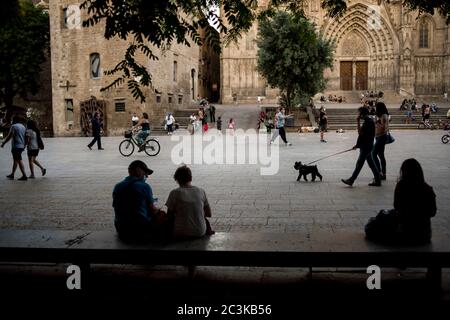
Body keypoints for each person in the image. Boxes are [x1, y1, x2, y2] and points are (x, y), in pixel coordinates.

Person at [366, 159, 437, 244]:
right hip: (423, 234)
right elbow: (432, 212)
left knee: (373, 226)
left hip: (405, 231)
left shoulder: (402, 186)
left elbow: (397, 207)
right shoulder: (427, 189)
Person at [113, 160, 172, 241]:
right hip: (139, 230)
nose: (146, 176)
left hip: (121, 228)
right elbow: (152, 211)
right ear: (138, 170)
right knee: (164, 216)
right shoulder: (144, 186)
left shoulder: (117, 186)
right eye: (145, 173)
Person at [166, 165, 214, 238]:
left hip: (180, 232)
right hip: (200, 232)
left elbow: (169, 216)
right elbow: (208, 214)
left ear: (177, 180)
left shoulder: (174, 193)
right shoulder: (201, 191)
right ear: (191, 178)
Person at [342, 107, 381, 187]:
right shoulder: (369, 121)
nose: (358, 115)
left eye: (359, 113)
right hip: (368, 145)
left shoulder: (368, 122)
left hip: (366, 146)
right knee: (371, 164)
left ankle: (351, 180)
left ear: (363, 114)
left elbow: (360, 133)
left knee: (359, 164)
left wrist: (358, 121)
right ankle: (378, 180)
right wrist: (357, 145)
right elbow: (363, 135)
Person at [1, 115, 28, 180]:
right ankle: (12, 174)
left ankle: (24, 175)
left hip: (16, 146)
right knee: (15, 160)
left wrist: (4, 143)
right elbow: (26, 137)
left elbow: (9, 136)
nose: (11, 121)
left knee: (19, 160)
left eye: (12, 120)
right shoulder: (23, 126)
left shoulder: (13, 126)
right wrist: (24, 145)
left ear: (14, 120)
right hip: (21, 146)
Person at [372, 102, 390, 181]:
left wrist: (379, 122)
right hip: (378, 137)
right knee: (381, 156)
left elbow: (386, 128)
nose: (375, 108)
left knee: (373, 154)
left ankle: (379, 172)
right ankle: (383, 174)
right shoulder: (379, 116)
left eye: (377, 107)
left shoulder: (384, 116)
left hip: (381, 137)